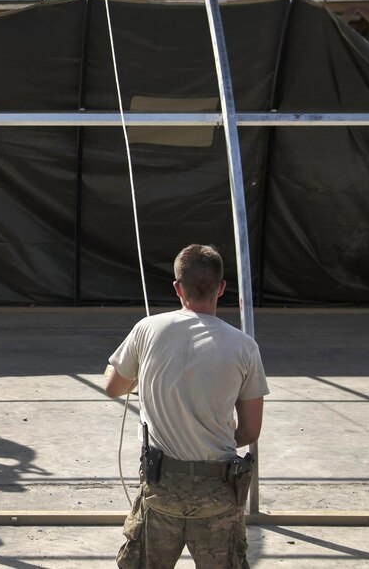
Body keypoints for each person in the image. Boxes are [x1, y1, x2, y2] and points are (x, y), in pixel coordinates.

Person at [105, 244, 269, 569]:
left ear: (178, 288)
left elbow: (113, 386)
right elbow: (250, 430)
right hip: (218, 493)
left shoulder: (148, 329)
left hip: (161, 488)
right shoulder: (244, 347)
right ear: (221, 288)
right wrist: (207, 435)